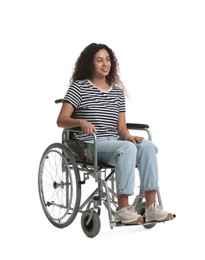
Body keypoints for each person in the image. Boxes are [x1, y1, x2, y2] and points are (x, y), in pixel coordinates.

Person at [57, 43, 174, 225]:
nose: (105, 64)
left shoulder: (117, 93)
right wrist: (80, 122)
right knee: (127, 148)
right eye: (99, 60)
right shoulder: (78, 88)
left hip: (115, 142)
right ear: (90, 63)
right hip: (89, 145)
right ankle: (122, 208)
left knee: (147, 146)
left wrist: (128, 136)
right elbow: (61, 120)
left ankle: (151, 207)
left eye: (108, 59)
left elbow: (121, 129)